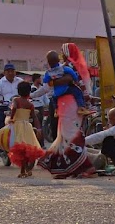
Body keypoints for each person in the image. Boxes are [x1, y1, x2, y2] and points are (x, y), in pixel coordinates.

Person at [34, 46, 95, 178]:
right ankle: (68, 169)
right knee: (63, 136)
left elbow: (68, 80)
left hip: (71, 105)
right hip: (64, 105)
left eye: (64, 52)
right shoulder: (63, 68)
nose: (63, 55)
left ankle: (86, 167)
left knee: (71, 136)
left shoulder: (70, 67)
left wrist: (52, 82)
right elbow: (50, 85)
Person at [0, 63, 25, 168]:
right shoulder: (0, 83)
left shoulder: (20, 81)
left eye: (12, 70)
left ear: (15, 72)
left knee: (27, 126)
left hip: (18, 107)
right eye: (8, 71)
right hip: (3, 108)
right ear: (4, 73)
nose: (10, 72)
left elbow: (26, 92)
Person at [7, 81, 44, 178]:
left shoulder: (16, 100)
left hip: (18, 126)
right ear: (29, 93)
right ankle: (29, 169)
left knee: (21, 149)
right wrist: (39, 129)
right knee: (29, 147)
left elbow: (14, 108)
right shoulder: (30, 104)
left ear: (18, 91)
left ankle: (23, 170)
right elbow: (34, 117)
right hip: (27, 126)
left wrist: (11, 117)